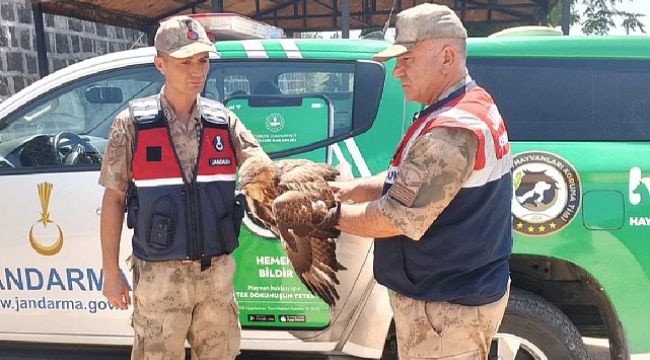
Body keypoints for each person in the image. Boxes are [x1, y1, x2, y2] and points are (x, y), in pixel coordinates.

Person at [330, 3, 513, 359]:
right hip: (453, 299)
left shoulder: (452, 128)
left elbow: (396, 216)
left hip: (446, 310)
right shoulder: (466, 105)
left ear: (447, 57)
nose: (397, 72)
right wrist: (356, 189)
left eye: (407, 59)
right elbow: (414, 180)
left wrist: (326, 215)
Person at [99, 15, 269, 359]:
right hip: (160, 282)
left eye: (203, 60)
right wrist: (110, 271)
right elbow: (114, 199)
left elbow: (263, 171)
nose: (197, 71)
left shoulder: (224, 122)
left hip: (215, 282)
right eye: (185, 62)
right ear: (160, 64)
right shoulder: (131, 124)